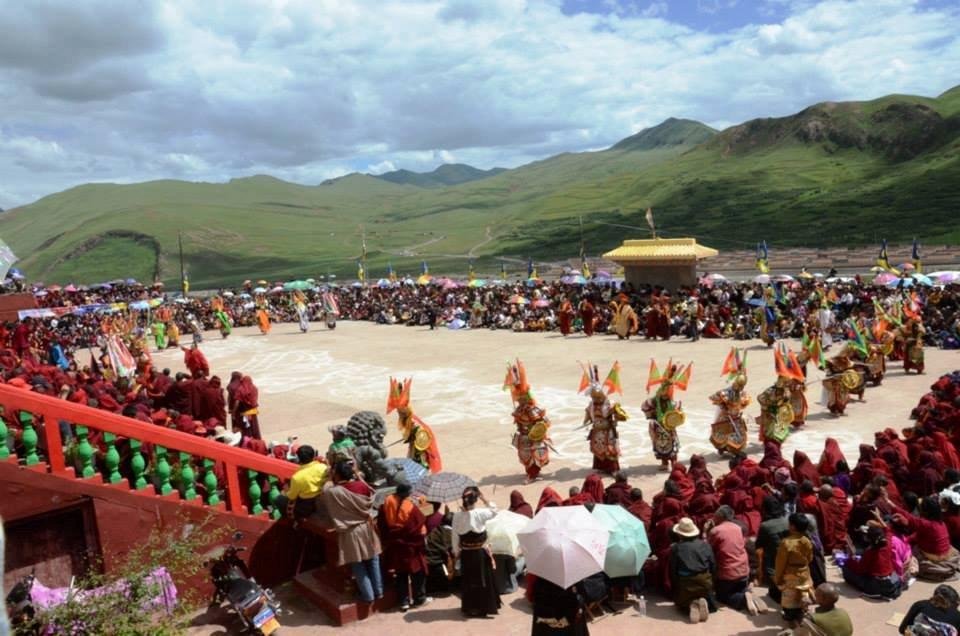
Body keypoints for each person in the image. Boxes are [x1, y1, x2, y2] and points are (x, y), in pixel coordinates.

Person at [321, 461, 383, 605]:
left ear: (337, 475)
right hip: (366, 528)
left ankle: (368, 596)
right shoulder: (361, 486)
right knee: (373, 560)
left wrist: (330, 477)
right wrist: (356, 473)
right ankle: (379, 591)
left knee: (358, 564)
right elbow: (370, 489)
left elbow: (325, 489)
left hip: (350, 532)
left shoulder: (334, 492)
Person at [706, 505, 766, 615]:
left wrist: (706, 532)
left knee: (722, 597)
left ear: (719, 517)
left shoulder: (716, 531)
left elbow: (707, 550)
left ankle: (743, 599)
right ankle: (747, 594)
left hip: (727, 575)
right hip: (743, 571)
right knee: (738, 588)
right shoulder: (738, 528)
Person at [380, 483, 431, 611]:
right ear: (405, 494)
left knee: (400, 573)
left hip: (395, 544)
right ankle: (419, 599)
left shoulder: (388, 501)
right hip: (411, 545)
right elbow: (419, 523)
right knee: (417, 571)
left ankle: (404, 602)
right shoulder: (409, 506)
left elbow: (382, 523)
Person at [452, 487, 500, 617]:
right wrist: (484, 499)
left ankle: (471, 608)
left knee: (468, 580)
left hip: (466, 554)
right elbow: (495, 511)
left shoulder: (457, 516)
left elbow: (455, 537)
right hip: (480, 553)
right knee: (483, 579)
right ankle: (484, 607)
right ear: (475, 500)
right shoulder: (480, 513)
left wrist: (456, 552)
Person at [504, 359, 551, 482]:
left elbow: (545, 422)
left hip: (534, 438)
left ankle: (532, 475)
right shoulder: (518, 410)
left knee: (534, 455)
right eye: (519, 399)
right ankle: (531, 473)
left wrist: (537, 432)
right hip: (524, 437)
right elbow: (518, 423)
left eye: (522, 399)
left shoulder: (534, 409)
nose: (520, 401)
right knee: (525, 456)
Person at [386, 377, 442, 473]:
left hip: (421, 452)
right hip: (415, 447)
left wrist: (412, 458)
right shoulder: (408, 421)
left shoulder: (417, 426)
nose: (399, 414)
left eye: (401, 412)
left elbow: (421, 444)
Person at [644, 360, 691, 472]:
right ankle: (664, 463)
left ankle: (673, 462)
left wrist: (676, 415)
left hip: (669, 427)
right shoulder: (655, 401)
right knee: (661, 445)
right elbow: (646, 407)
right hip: (659, 426)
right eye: (663, 391)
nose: (664, 393)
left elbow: (678, 414)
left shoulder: (673, 403)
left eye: (666, 392)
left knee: (672, 445)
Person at [668, 517, 717, 624]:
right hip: (705, 582)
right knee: (708, 598)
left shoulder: (676, 548)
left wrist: (675, 587)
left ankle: (691, 604)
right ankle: (701, 601)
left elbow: (673, 571)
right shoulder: (705, 545)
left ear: (680, 534)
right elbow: (713, 566)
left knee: (680, 603)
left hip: (686, 582)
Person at [580, 362, 626, 474]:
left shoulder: (609, 403)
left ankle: (613, 469)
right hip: (597, 430)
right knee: (598, 449)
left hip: (607, 430)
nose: (596, 399)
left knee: (610, 449)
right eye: (594, 397)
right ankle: (601, 468)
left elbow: (619, 415)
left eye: (597, 397)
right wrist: (585, 421)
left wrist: (616, 415)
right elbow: (587, 412)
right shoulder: (592, 404)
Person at [775, 513, 815, 627]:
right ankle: (801, 611)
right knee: (803, 592)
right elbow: (810, 558)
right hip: (804, 572)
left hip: (790, 573)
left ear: (792, 527)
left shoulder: (786, 543)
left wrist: (778, 577)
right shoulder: (806, 540)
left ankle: (790, 616)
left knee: (790, 597)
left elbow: (780, 563)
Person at [275, 445, 327, 521]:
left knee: (279, 499)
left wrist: (285, 492)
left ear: (299, 458)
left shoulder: (297, 477)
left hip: (306, 506)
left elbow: (292, 496)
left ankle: (292, 520)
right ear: (313, 456)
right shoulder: (323, 467)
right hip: (320, 500)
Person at [708, 371, 750, 456]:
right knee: (723, 435)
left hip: (736, 417)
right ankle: (722, 448)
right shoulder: (726, 392)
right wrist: (723, 405)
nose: (740, 388)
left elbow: (743, 404)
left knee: (738, 436)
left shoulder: (742, 393)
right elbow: (715, 398)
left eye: (742, 386)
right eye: (739, 385)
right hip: (726, 417)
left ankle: (734, 449)